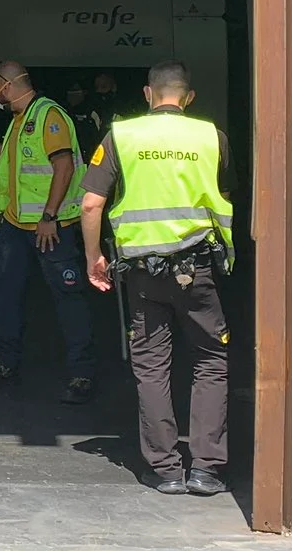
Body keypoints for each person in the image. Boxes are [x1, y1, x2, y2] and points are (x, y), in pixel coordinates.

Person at [78, 60, 234, 496]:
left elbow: (91, 203)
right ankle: (206, 470)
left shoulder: (121, 136)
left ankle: (166, 470)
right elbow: (226, 193)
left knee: (151, 366)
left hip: (143, 273)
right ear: (188, 97)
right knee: (211, 362)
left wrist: (94, 257)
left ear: (148, 94)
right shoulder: (211, 136)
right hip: (198, 267)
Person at [0, 62, 98, 403]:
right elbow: (8, 157)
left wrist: (49, 215)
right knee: (8, 297)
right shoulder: (20, 120)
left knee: (68, 298)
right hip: (16, 227)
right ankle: (7, 364)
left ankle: (82, 374)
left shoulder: (49, 115)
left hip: (50, 228)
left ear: (7, 85)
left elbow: (63, 166)